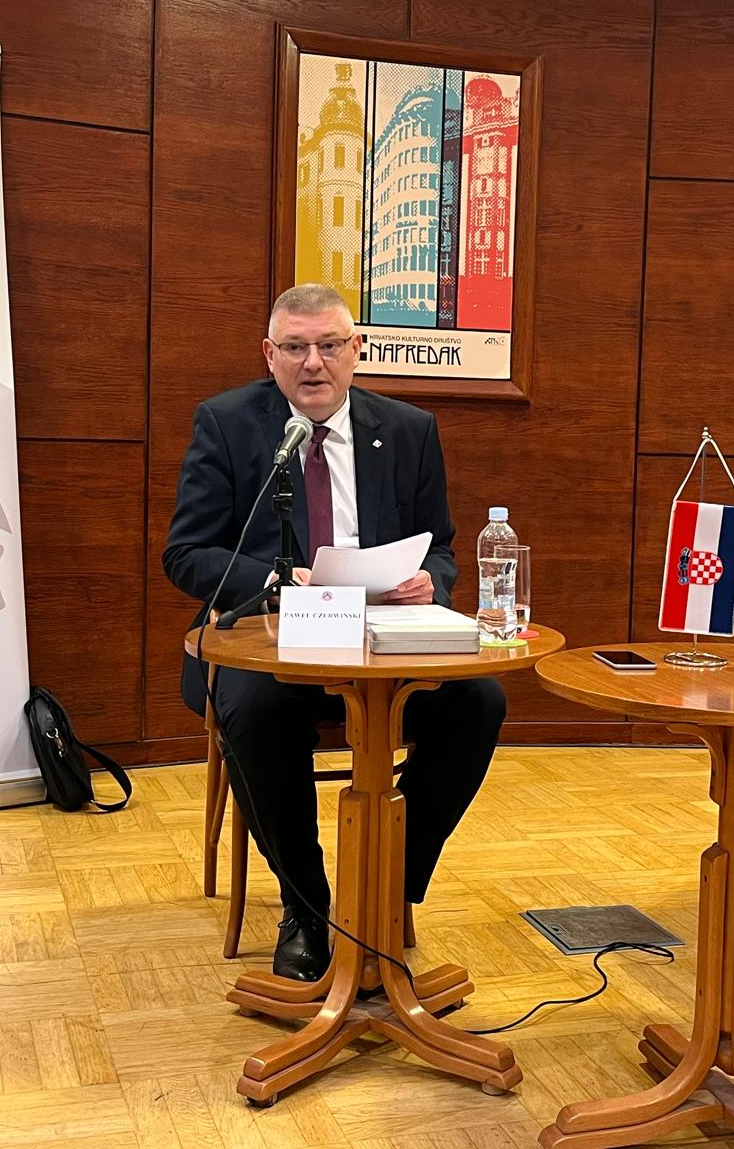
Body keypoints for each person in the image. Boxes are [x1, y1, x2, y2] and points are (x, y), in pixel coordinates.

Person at [163, 283, 506, 981]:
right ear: (269, 354)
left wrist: (430, 582)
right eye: (294, 348)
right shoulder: (228, 423)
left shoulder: (408, 430)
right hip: (270, 638)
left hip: (380, 641)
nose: (312, 363)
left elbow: (439, 545)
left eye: (328, 345)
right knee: (255, 711)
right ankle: (307, 907)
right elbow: (187, 554)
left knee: (479, 703)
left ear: (357, 349)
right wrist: (276, 580)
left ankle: (385, 888)